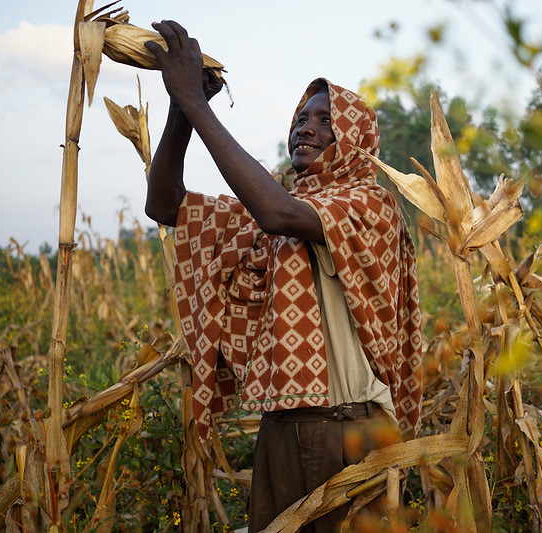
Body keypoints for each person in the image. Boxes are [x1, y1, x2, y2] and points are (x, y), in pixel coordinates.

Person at [144, 21, 422, 533]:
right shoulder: (278, 209)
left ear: (355, 138)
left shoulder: (369, 206)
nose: (306, 127)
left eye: (325, 119)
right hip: (281, 433)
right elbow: (165, 205)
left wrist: (199, 104)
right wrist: (180, 108)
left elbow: (278, 215)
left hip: (351, 432)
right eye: (301, 118)